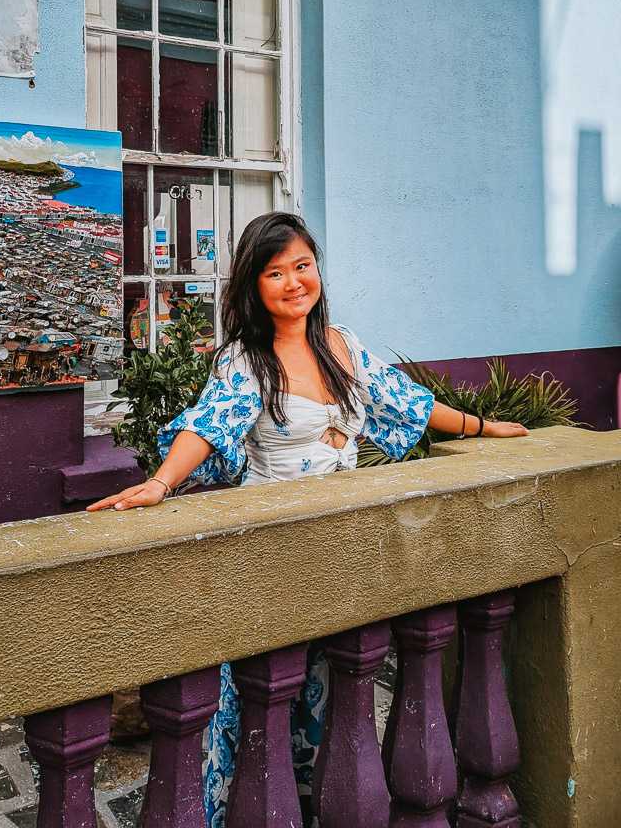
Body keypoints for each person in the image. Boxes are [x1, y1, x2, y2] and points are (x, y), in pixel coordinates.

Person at [88, 212, 528, 827]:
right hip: (269, 554)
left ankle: (316, 802)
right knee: (262, 689)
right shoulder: (246, 359)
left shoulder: (341, 344)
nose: (295, 282)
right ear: (253, 286)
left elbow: (410, 401)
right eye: (276, 272)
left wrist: (487, 427)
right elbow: (211, 424)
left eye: (303, 266)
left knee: (331, 683)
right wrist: (162, 482)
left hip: (339, 550)